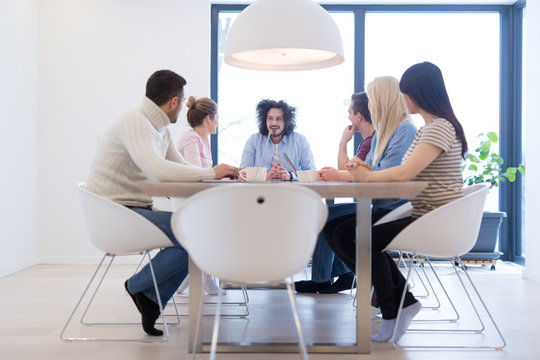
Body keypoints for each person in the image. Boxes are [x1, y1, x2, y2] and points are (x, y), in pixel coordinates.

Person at [86, 70, 238, 336]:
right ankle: (137, 286)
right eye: (181, 100)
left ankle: (151, 299)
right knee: (195, 235)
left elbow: (180, 166)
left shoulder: (159, 129)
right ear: (174, 102)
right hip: (115, 213)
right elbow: (157, 170)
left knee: (196, 235)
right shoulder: (135, 122)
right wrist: (212, 173)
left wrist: (216, 174)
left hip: (133, 210)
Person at [326, 62, 467, 342]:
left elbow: (404, 173)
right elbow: (402, 172)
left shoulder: (437, 128)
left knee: (364, 237)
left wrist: (366, 174)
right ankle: (401, 302)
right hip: (424, 213)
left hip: (433, 218)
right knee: (354, 234)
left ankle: (394, 309)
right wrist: (366, 172)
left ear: (416, 93)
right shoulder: (431, 127)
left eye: (405, 92)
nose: (403, 98)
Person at [295, 80, 417, 294]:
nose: (370, 107)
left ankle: (382, 285)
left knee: (333, 223)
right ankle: (374, 282)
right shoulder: (383, 133)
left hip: (397, 208)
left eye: (373, 101)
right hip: (381, 205)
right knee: (330, 220)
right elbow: (367, 167)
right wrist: (359, 168)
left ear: (382, 101)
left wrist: (361, 170)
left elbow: (389, 171)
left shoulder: (404, 130)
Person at [175, 96, 224, 296]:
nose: (218, 122)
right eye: (217, 118)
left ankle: (199, 275)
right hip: (185, 201)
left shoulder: (203, 139)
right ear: (208, 118)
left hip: (196, 199)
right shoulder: (191, 138)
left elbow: (204, 176)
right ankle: (199, 275)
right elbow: (196, 175)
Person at [240, 99, 316, 180]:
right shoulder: (254, 140)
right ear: (265, 120)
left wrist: (290, 176)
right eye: (270, 118)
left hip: (291, 191)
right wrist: (266, 176)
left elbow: (312, 174)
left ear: (286, 121)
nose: (274, 123)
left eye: (279, 119)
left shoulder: (300, 140)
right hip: (260, 191)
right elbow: (243, 173)